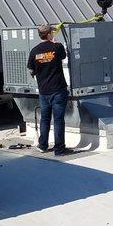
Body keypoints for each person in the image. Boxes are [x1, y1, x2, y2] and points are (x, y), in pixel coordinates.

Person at [27, 24, 73, 156]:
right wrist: (55, 43)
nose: (53, 34)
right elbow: (64, 56)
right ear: (48, 34)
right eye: (52, 32)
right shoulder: (57, 47)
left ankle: (43, 146)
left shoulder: (34, 51)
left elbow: (31, 69)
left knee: (45, 119)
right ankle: (59, 149)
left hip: (43, 91)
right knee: (58, 120)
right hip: (58, 89)